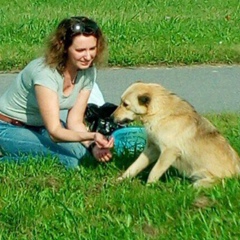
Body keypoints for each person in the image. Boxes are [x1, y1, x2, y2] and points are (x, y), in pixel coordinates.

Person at [0, 16, 114, 169]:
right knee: (68, 162)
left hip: (41, 126)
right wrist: (92, 135)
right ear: (63, 47)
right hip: (10, 127)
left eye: (92, 49)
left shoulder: (88, 71)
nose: (88, 56)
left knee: (84, 156)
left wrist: (93, 146)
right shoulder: (44, 73)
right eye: (80, 50)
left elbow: (75, 122)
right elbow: (55, 131)